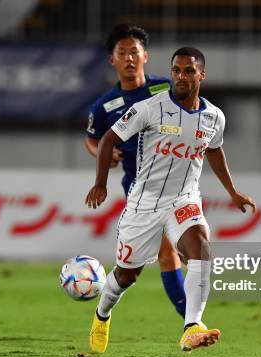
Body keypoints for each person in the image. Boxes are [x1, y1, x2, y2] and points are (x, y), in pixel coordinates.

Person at [85, 47, 256, 353]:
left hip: (184, 199)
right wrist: (101, 183)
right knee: (126, 275)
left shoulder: (214, 117)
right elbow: (109, 138)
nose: (180, 76)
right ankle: (102, 314)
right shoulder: (150, 108)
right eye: (176, 70)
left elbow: (214, 150)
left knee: (201, 247)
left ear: (201, 75)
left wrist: (232, 191)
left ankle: (192, 327)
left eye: (189, 71)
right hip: (144, 202)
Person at [85, 23, 187, 319]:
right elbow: (93, 140)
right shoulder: (104, 105)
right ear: (112, 60)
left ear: (145, 56)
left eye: (134, 52)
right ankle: (191, 323)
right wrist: (104, 155)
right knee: (166, 254)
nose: (129, 58)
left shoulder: (165, 89)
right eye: (122, 53)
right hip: (141, 185)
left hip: (178, 180)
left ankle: (191, 322)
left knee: (174, 253)